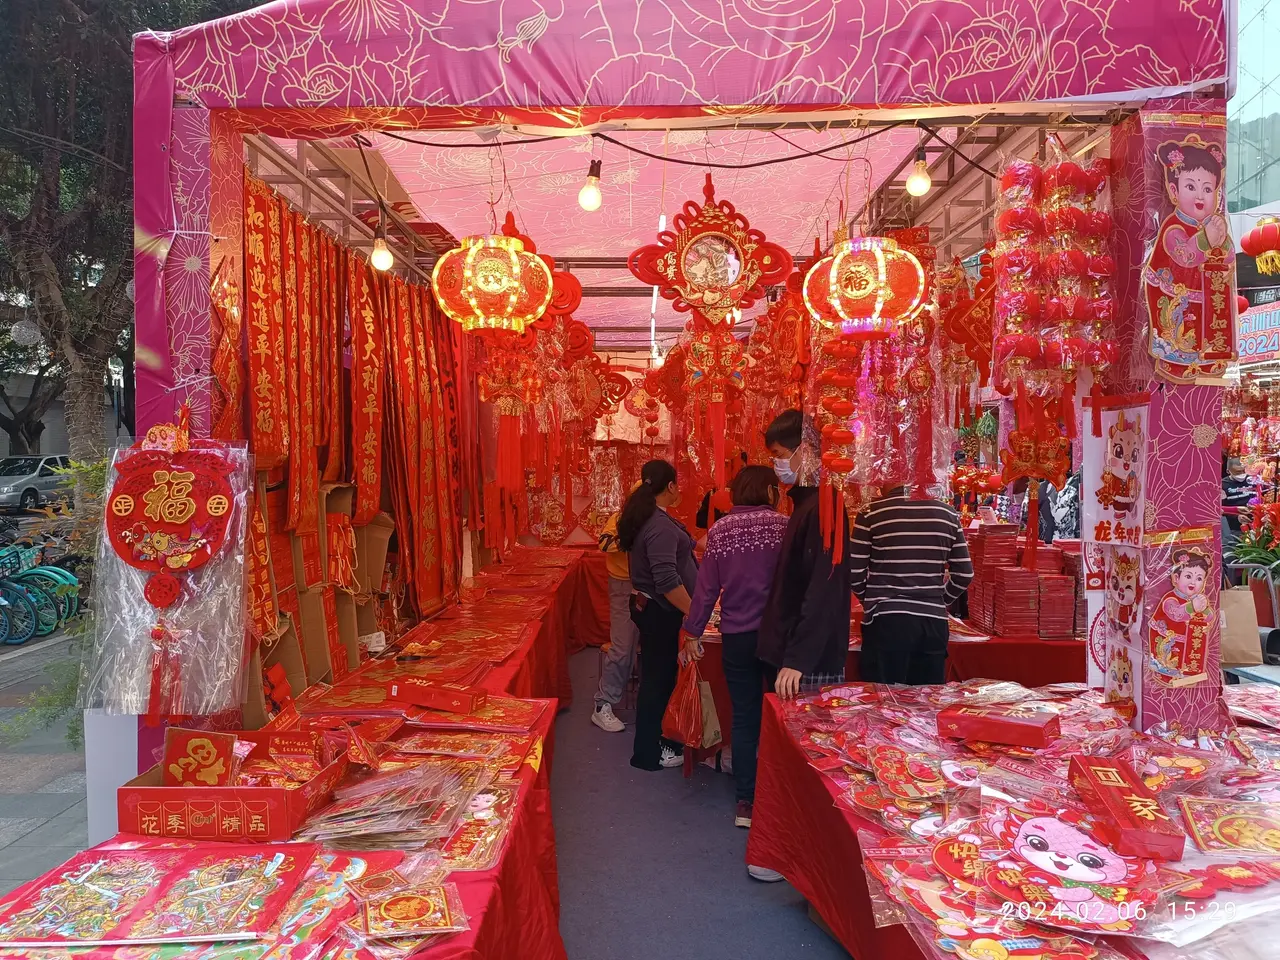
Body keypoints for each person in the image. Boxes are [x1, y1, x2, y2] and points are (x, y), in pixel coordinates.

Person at [682, 465, 789, 829]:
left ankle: (747, 801)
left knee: (745, 718)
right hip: (778, 637)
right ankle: (784, 795)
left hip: (737, 636)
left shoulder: (720, 530)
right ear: (770, 492)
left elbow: (706, 589)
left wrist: (692, 631)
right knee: (783, 714)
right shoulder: (784, 526)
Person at [758, 409, 851, 699]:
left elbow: (824, 586)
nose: (776, 463)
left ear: (804, 451)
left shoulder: (824, 506)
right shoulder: (805, 505)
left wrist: (799, 658)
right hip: (792, 653)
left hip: (808, 663)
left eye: (779, 454)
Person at [618, 459, 699, 772]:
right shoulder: (658, 526)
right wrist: (696, 613)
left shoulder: (656, 519)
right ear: (671, 487)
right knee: (658, 680)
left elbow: (688, 547)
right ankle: (649, 753)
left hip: (652, 609)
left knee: (657, 677)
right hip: (660, 612)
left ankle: (654, 746)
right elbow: (666, 581)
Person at [850, 485, 974, 685]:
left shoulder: (871, 512)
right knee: (925, 704)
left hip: (885, 621)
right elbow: (965, 573)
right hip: (932, 623)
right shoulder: (947, 513)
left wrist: (872, 602)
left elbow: (854, 573)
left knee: (883, 704)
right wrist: (939, 600)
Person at [592, 482, 642, 733]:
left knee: (657, 647)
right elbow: (603, 544)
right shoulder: (619, 519)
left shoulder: (661, 520)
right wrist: (629, 537)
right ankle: (603, 705)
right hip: (623, 588)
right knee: (622, 648)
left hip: (654, 590)